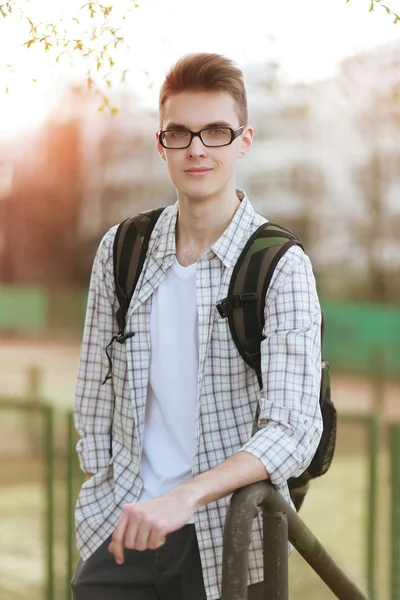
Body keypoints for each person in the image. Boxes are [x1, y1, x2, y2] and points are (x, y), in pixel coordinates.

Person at [71, 52, 323, 600]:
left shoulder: (279, 264)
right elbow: (93, 391)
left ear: (244, 140)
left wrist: (184, 496)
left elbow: (293, 432)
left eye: (215, 131)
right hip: (120, 534)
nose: (197, 148)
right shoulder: (122, 250)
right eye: (180, 133)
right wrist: (104, 493)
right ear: (161, 144)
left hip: (231, 546)